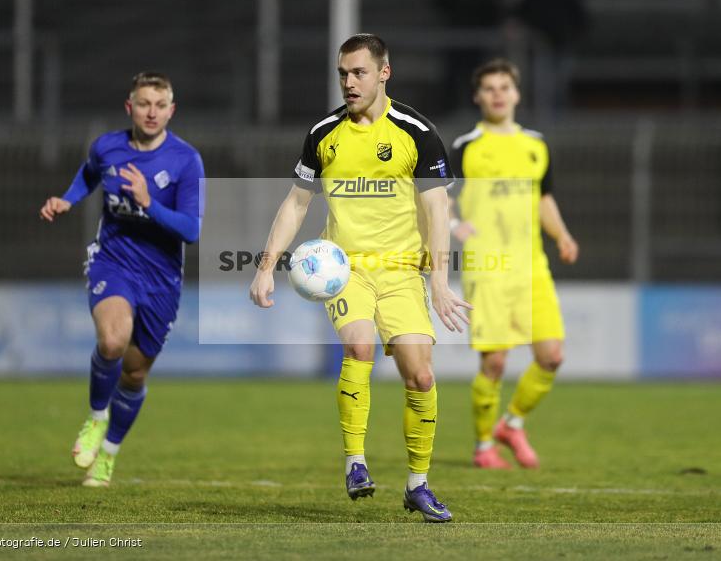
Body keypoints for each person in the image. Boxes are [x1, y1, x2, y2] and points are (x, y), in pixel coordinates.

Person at [249, 34, 470, 522]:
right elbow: (296, 204)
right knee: (360, 347)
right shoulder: (324, 133)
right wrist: (266, 267)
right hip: (343, 269)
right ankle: (355, 462)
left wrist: (438, 280)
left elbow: (437, 209)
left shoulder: (417, 132)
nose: (349, 82)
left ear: (384, 73)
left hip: (403, 273)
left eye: (359, 72)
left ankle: (417, 484)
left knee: (421, 375)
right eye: (343, 74)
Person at [40, 72, 205, 487]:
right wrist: (67, 200)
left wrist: (149, 202)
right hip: (113, 262)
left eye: (160, 105)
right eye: (144, 104)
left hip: (161, 278)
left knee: (133, 373)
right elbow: (89, 173)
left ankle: (108, 454)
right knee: (112, 341)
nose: (152, 112)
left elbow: (190, 230)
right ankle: (96, 418)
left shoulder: (186, 160)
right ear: (130, 107)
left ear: (171, 110)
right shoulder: (107, 147)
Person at [448, 58, 578, 470]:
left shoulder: (536, 145)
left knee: (551, 356)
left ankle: (512, 423)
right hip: (486, 266)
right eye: (489, 88)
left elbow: (544, 199)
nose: (498, 95)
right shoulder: (466, 147)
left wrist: (562, 235)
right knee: (495, 362)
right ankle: (483, 445)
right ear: (477, 97)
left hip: (531, 267)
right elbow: (441, 200)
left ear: (517, 93)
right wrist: (453, 224)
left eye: (505, 87)